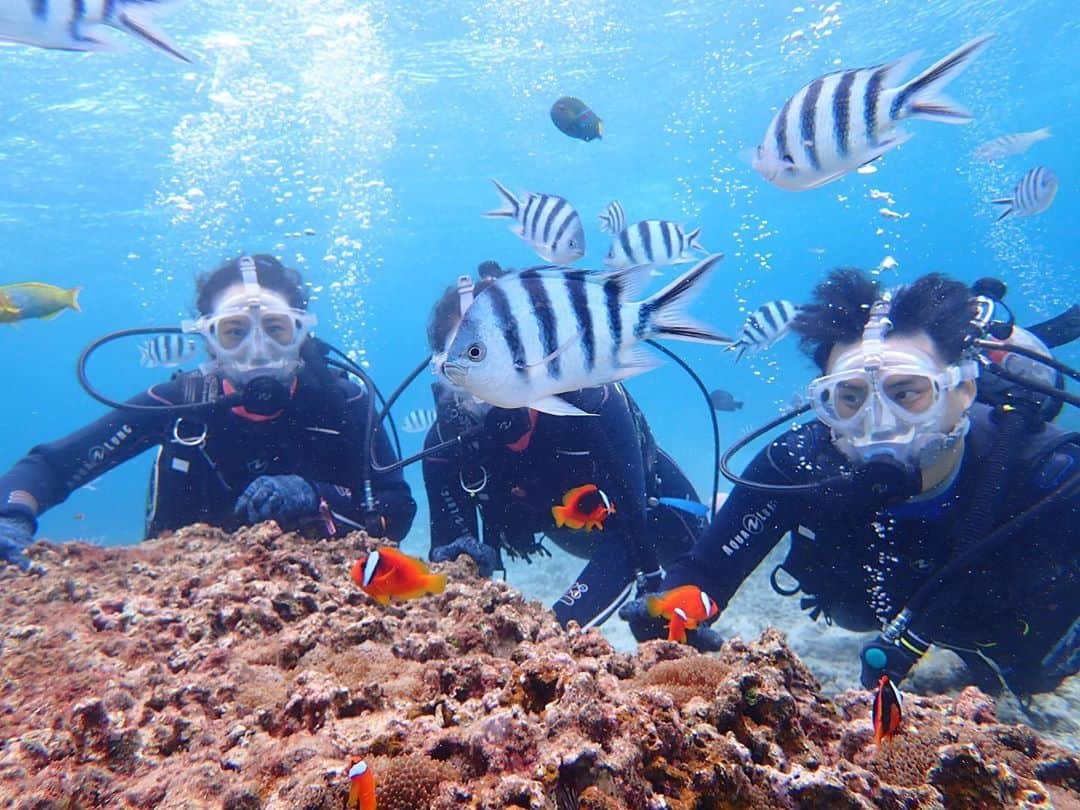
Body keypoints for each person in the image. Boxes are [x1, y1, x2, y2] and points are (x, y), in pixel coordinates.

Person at [622, 269, 1079, 698]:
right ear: (823, 401)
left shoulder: (1048, 472)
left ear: (963, 390)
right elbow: (704, 573)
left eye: (906, 394)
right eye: (850, 397)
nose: (878, 423)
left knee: (1031, 668)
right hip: (884, 612)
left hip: (998, 634)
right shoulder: (796, 466)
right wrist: (669, 609)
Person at [0, 254, 416, 568]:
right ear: (209, 340)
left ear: (302, 335)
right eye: (234, 332)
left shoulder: (344, 404)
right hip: (187, 594)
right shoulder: (182, 402)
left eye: (275, 328)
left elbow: (395, 510)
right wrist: (11, 516)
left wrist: (315, 495)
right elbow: (48, 468)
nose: (257, 349)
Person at [421, 265, 709, 630]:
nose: (485, 401)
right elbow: (448, 556)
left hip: (652, 512)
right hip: (566, 527)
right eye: (454, 373)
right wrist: (459, 565)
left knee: (687, 608)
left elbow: (629, 536)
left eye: (489, 358)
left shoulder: (593, 405)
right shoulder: (447, 444)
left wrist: (554, 629)